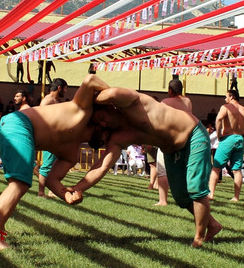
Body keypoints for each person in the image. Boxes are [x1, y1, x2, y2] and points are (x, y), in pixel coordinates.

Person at [73, 84, 221, 248]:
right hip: (171, 151)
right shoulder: (119, 137)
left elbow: (111, 91)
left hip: (193, 134)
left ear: (110, 108)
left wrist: (87, 101)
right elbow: (102, 167)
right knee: (181, 197)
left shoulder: (132, 104)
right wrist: (78, 188)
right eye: (100, 125)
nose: (104, 125)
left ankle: (199, 238)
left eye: (102, 119)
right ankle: (213, 225)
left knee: (195, 188)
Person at [0, 74, 109, 249]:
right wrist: (115, 100)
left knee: (19, 184)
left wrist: (66, 195)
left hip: (13, 128)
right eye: (107, 133)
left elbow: (51, 179)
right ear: (100, 125)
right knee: (19, 184)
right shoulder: (82, 112)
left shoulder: (72, 153)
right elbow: (90, 80)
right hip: (19, 124)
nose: (107, 140)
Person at [208, 90, 244, 202]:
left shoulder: (226, 107)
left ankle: (211, 194)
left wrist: (218, 135)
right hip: (239, 139)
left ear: (231, 97)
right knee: (236, 170)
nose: (225, 99)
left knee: (216, 168)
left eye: (226, 96)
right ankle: (236, 197)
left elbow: (218, 119)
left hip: (227, 138)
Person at [37, 78, 67, 197]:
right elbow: (40, 118)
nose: (66, 92)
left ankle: (52, 189)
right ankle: (40, 192)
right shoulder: (47, 101)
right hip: (49, 138)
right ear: (59, 88)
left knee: (58, 164)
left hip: (57, 138)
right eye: (65, 89)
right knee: (47, 165)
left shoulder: (57, 101)